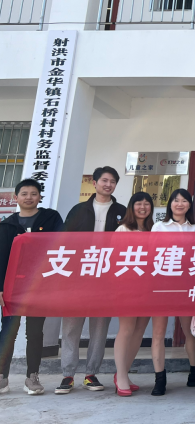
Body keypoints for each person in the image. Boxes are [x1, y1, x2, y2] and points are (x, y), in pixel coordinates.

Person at [57, 166, 126, 395]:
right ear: (94, 183)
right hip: (78, 276)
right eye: (104, 180)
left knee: (99, 327)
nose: (108, 185)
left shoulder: (122, 212)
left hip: (106, 276)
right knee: (71, 326)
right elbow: (63, 240)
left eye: (112, 181)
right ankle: (67, 375)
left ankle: (91, 374)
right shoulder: (78, 210)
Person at [0, 179, 63, 395]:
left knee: (35, 332)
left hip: (40, 285)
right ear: (15, 198)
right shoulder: (6, 225)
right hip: (12, 286)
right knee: (8, 330)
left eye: (33, 193)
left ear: (40, 197)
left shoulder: (51, 218)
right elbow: (1, 258)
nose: (29, 197)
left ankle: (32, 376)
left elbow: (62, 245)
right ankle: (2, 376)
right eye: (24, 194)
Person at [150, 188, 195, 395]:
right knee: (158, 333)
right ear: (170, 204)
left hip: (186, 285)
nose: (180, 204)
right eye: (176, 200)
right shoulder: (158, 227)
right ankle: (159, 379)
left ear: (189, 205)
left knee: (190, 331)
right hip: (161, 285)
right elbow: (152, 255)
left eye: (184, 201)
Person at [112, 192, 155, 397]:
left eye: (147, 204)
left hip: (149, 286)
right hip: (127, 286)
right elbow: (115, 259)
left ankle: (123, 373)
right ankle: (120, 375)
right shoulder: (122, 229)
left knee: (139, 331)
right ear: (131, 207)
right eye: (139, 204)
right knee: (127, 329)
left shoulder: (154, 229)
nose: (143, 207)